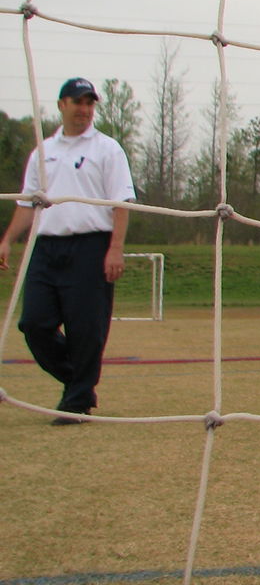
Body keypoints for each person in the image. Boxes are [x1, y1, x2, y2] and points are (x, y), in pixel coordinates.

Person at [0, 78, 136, 425]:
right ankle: (81, 382)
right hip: (46, 247)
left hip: (91, 245)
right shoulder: (43, 152)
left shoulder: (108, 149)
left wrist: (115, 249)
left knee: (86, 328)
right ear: (61, 105)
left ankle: (76, 402)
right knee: (34, 323)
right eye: (77, 102)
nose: (84, 110)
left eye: (90, 103)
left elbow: (121, 202)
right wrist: (7, 240)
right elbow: (28, 203)